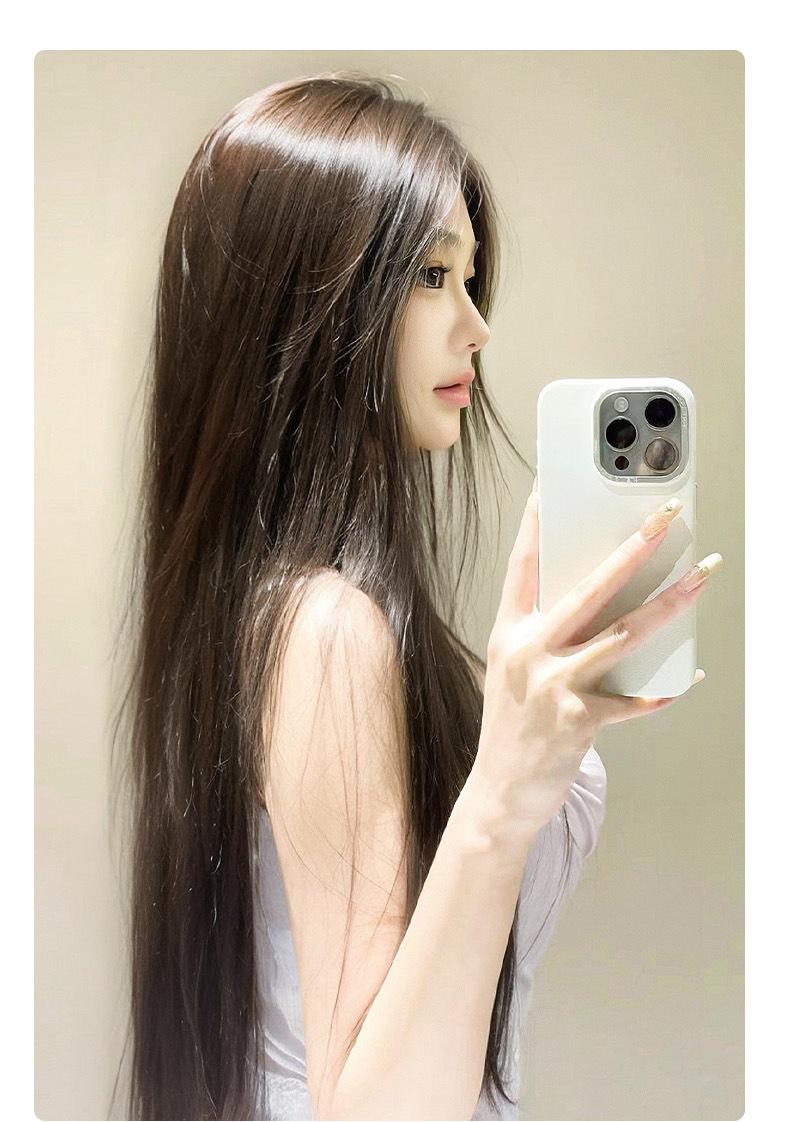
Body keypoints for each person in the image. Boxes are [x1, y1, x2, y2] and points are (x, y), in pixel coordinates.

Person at [110, 71, 719, 1121]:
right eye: (433, 275)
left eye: (470, 279)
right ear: (304, 302)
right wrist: (502, 794)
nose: (476, 326)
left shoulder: (265, 613)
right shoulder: (326, 630)